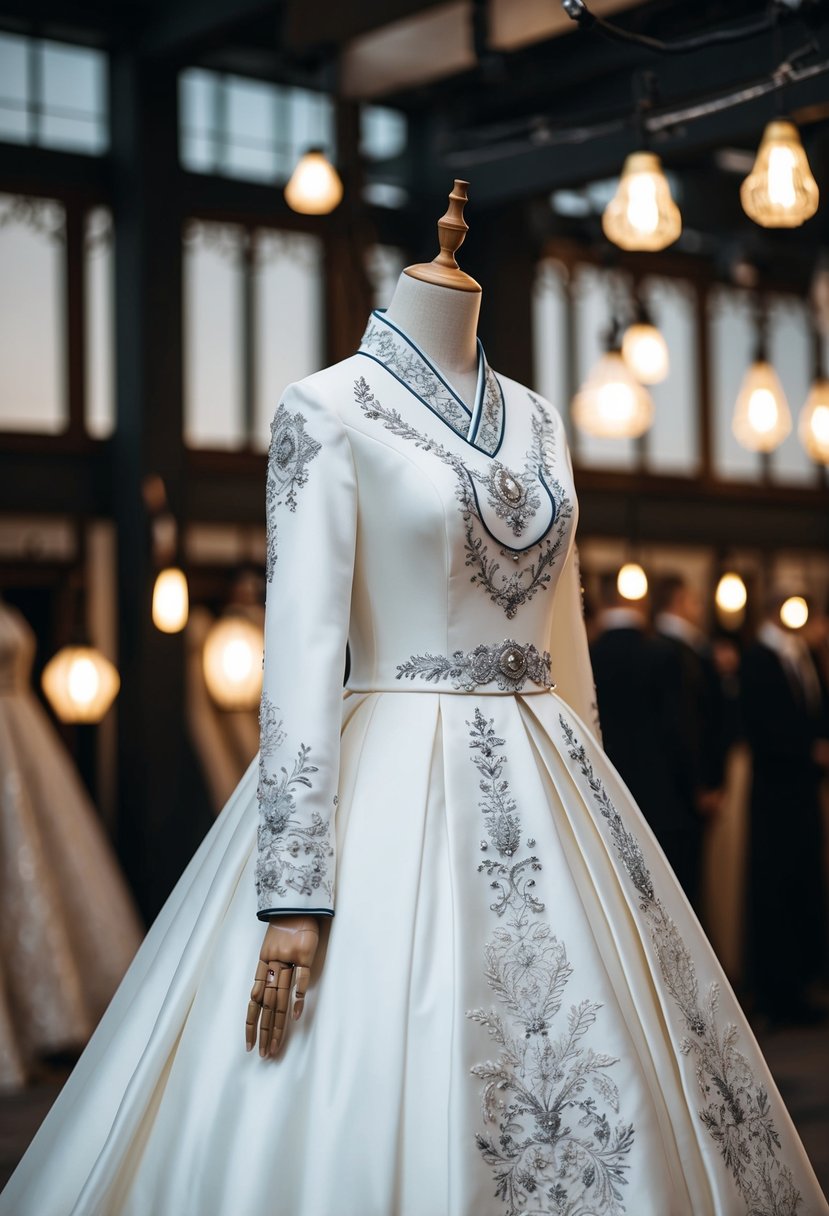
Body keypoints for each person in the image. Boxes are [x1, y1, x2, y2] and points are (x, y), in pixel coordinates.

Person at [2, 217, 826, 1214]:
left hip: (553, 761)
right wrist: (293, 892)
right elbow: (302, 646)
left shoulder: (536, 417)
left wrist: (602, 817)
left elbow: (559, 624)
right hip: (392, 752)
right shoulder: (326, 409)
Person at [741, 590, 829, 1026]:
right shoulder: (759, 657)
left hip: (803, 790)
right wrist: (806, 750)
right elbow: (761, 723)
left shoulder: (801, 655)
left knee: (802, 881)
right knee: (773, 883)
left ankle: (799, 985)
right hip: (775, 789)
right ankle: (775, 991)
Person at [589, 573, 704, 907]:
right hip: (662, 798)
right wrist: (694, 787)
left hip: (603, 794)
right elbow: (679, 730)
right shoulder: (663, 656)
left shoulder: (589, 655)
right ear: (639, 600)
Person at [653, 573, 728, 906]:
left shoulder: (682, 649)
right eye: (694, 600)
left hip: (676, 788)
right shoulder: (678, 654)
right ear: (679, 601)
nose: (698, 609)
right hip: (684, 792)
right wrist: (703, 784)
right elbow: (688, 725)